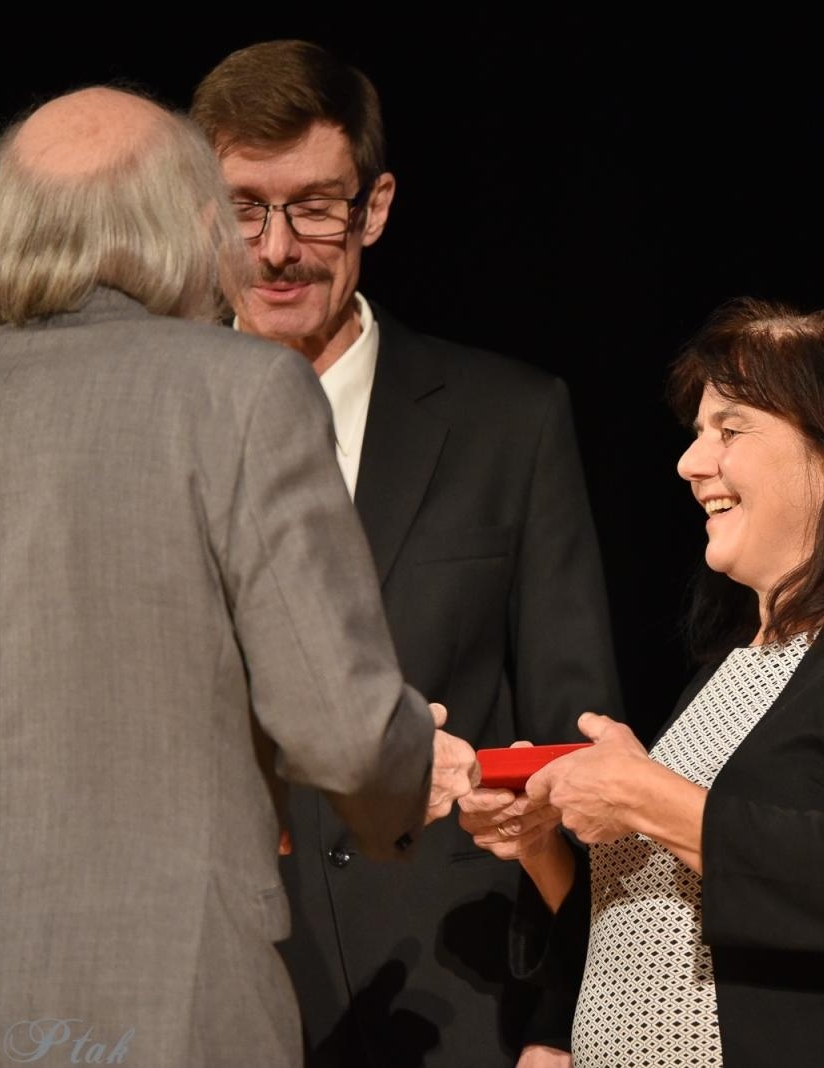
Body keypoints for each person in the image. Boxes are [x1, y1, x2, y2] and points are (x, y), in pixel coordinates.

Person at [0, 87, 478, 1067]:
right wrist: (406, 769)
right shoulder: (243, 390)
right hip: (176, 1009)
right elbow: (346, 734)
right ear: (183, 223)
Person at [190, 40, 622, 1067]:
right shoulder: (147, 428)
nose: (277, 248)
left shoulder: (507, 422)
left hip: (460, 993)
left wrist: (563, 1021)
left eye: (315, 207)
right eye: (244, 207)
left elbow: (578, 750)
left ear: (374, 208)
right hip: (214, 985)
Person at [461, 298, 824, 1065]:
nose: (691, 463)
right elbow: (647, 929)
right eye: (696, 433)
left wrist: (643, 795)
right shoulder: (728, 669)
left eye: (730, 429)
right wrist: (543, 849)